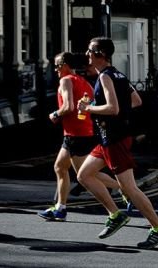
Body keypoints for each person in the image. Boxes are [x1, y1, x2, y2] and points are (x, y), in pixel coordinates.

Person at [76, 37, 158, 248]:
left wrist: (88, 108)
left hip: (114, 138)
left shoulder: (104, 77)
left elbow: (113, 108)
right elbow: (136, 100)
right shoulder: (118, 74)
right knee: (84, 175)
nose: (87, 54)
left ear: (99, 53)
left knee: (130, 189)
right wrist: (103, 107)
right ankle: (115, 215)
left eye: (90, 50)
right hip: (110, 137)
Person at [37, 52, 129, 221]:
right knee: (60, 167)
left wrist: (55, 114)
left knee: (85, 174)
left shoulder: (66, 81)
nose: (56, 70)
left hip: (76, 135)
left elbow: (68, 106)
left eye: (57, 66)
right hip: (81, 132)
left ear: (65, 65)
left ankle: (124, 190)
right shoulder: (84, 82)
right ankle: (61, 208)